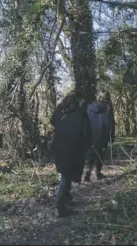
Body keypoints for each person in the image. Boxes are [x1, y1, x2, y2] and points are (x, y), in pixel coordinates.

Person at [51, 89, 91, 217]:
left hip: (59, 146)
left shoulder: (59, 110)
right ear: (79, 100)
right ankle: (59, 207)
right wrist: (86, 147)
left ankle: (66, 198)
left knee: (65, 173)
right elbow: (87, 133)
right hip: (74, 148)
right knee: (66, 177)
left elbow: (52, 122)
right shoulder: (81, 113)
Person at [84, 89, 115, 182]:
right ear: (107, 98)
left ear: (99, 97)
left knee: (91, 153)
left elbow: (85, 121)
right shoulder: (108, 108)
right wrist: (112, 136)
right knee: (100, 154)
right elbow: (111, 123)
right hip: (103, 134)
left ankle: (88, 173)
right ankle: (98, 173)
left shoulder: (89, 107)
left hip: (91, 133)